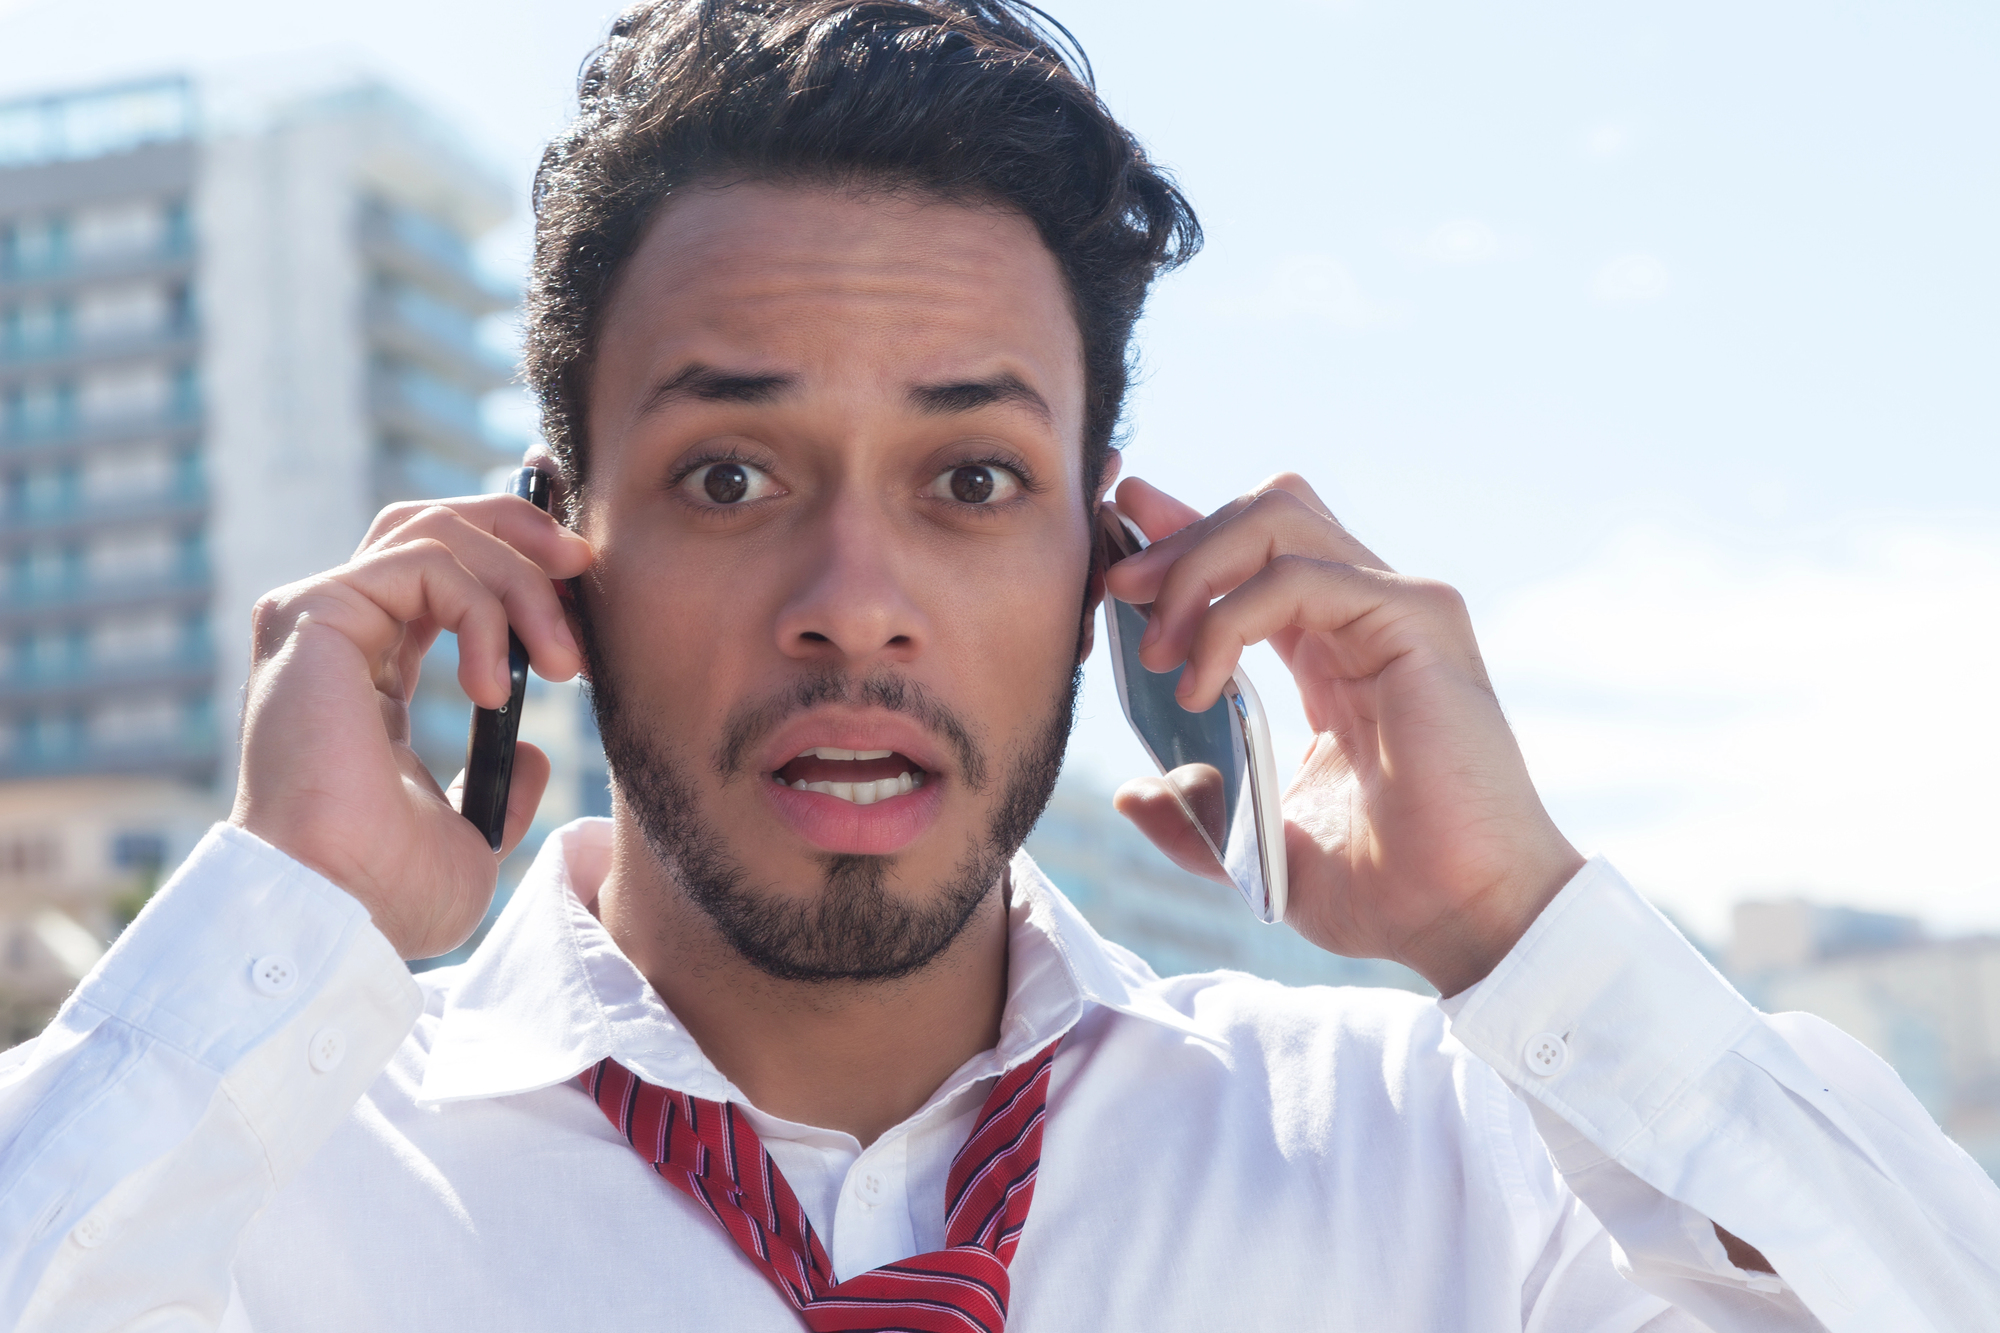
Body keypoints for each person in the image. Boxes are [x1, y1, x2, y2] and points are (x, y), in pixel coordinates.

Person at [4, 2, 1997, 1329]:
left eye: (969, 477)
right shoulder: (239, 1181)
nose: (854, 596)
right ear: (551, 555)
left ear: (1110, 564)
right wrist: (278, 933)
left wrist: (1516, 924)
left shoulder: (1437, 1163)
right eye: (725, 470)